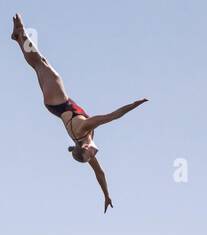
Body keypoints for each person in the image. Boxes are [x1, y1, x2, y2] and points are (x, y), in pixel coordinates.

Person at [11, 13, 147, 212]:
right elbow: (100, 174)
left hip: (58, 100)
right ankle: (18, 38)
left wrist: (134, 105)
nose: (93, 155)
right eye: (91, 157)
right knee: (40, 63)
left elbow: (112, 116)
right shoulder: (83, 143)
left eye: (89, 155)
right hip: (54, 105)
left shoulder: (84, 129)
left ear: (85, 149)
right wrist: (107, 195)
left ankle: (21, 34)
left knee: (39, 62)